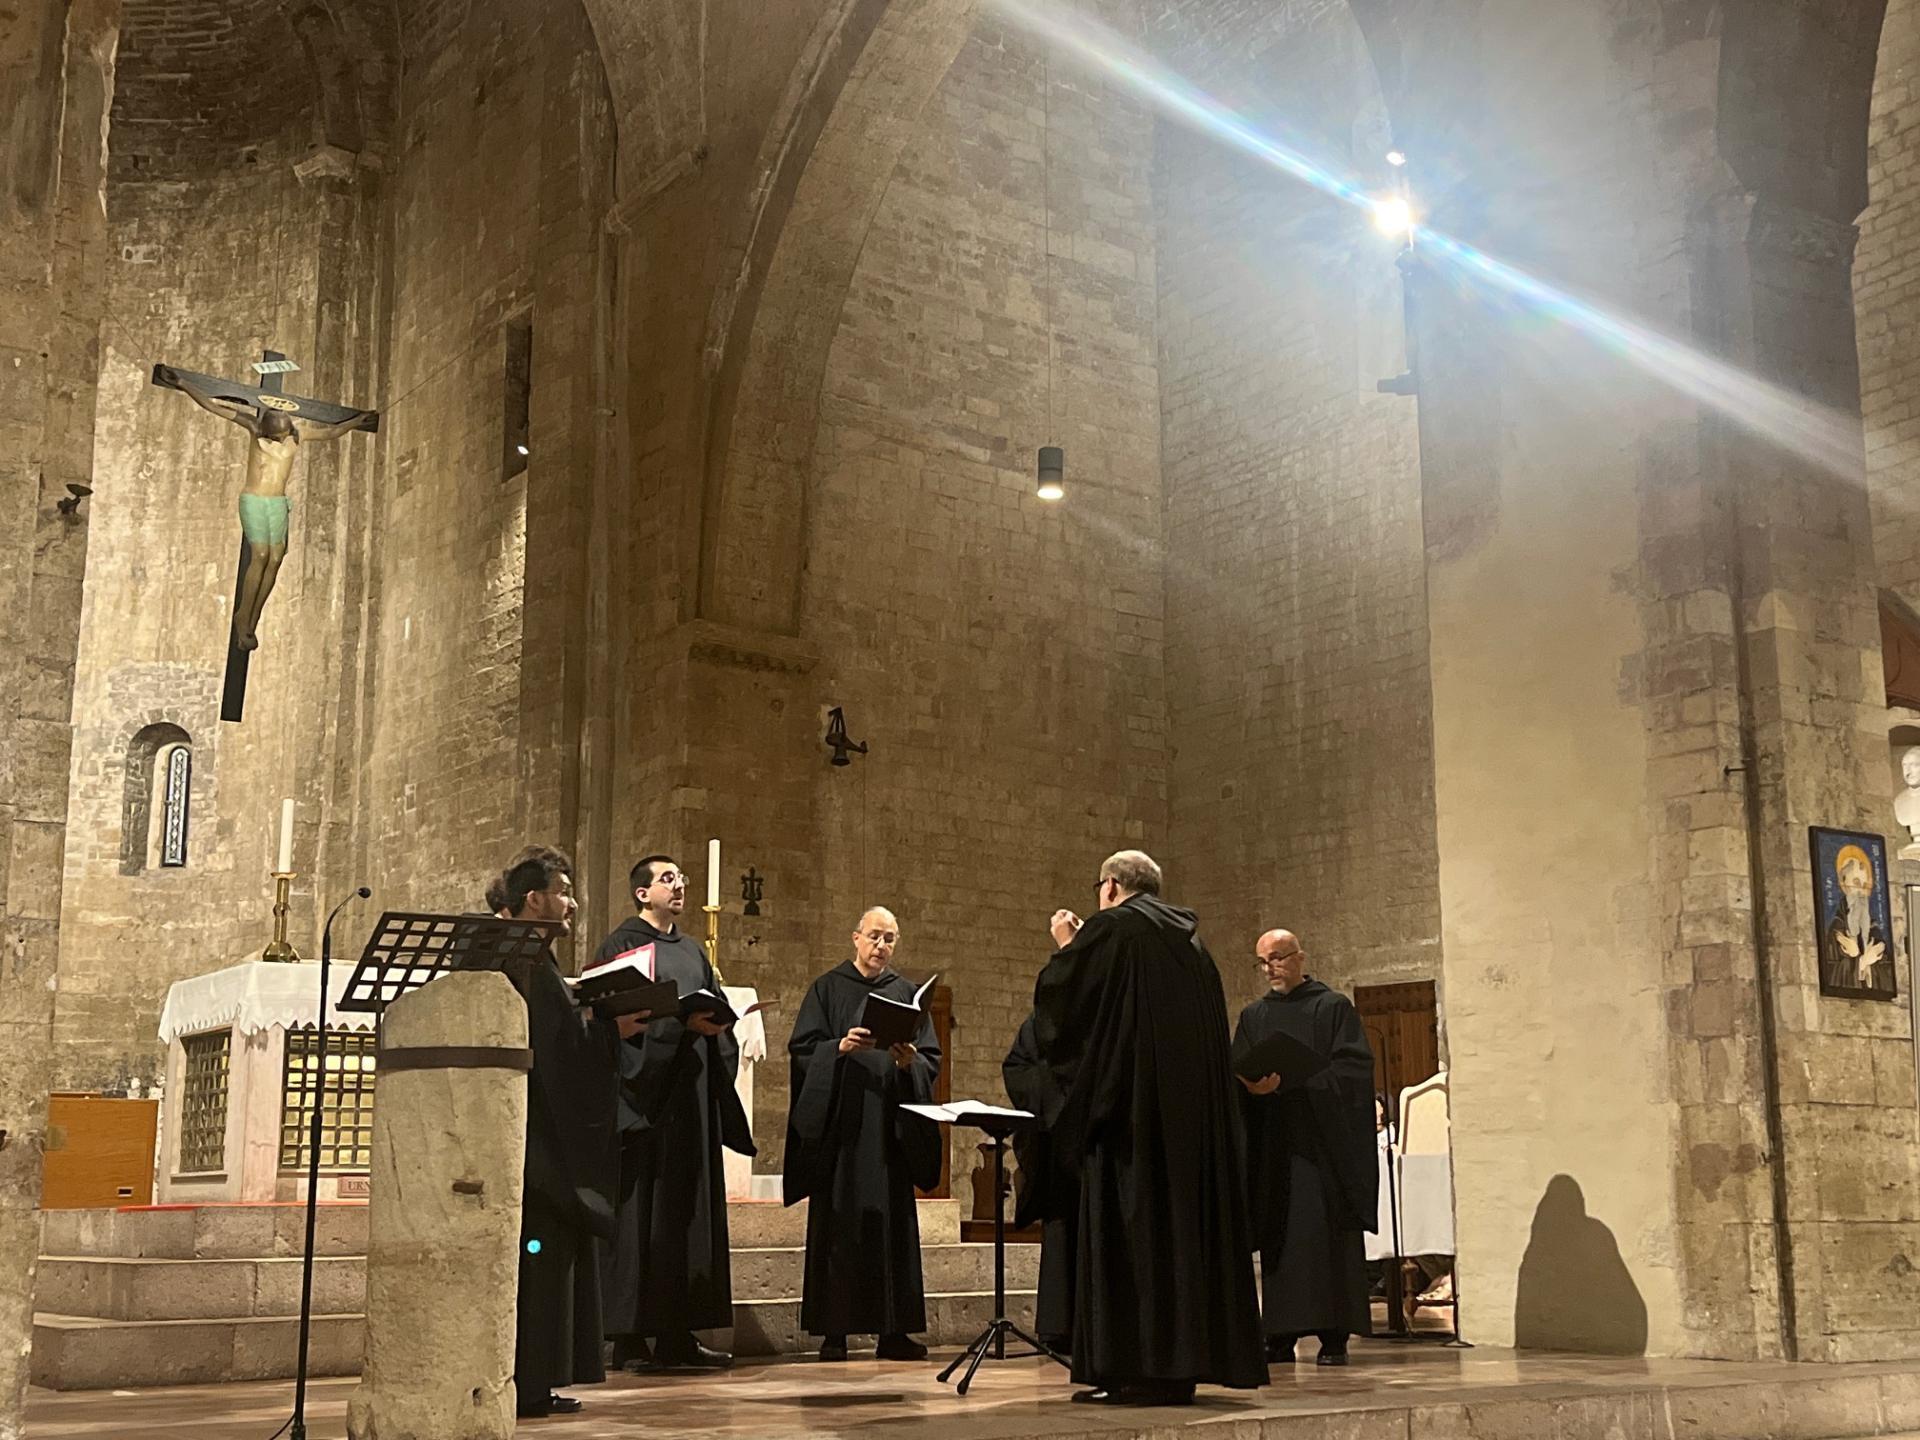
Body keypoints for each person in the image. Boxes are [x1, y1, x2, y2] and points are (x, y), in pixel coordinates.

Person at [1029, 849, 1265, 1406]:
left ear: (1111, 887)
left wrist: (1066, 948)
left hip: (1130, 1126)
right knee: (1179, 1240)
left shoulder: (1113, 930)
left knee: (1131, 1238)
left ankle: (1132, 1368)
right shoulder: (1194, 944)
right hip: (1190, 1134)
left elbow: (1066, 1015)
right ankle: (1179, 1368)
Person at [496, 846, 645, 1419]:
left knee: (547, 1263)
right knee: (539, 1261)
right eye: (563, 890)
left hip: (539, 1143)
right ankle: (529, 1384)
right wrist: (613, 1030)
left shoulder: (533, 960)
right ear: (533, 899)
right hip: (541, 1152)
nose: (573, 902)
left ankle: (536, 1381)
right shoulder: (525, 960)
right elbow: (561, 1059)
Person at [596, 853, 753, 1371]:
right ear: (642, 893)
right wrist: (674, 1029)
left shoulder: (691, 950)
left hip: (688, 1097)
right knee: (640, 1214)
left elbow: (710, 1011)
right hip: (642, 1103)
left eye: (681, 878)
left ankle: (679, 1333)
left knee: (685, 1215)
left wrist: (714, 1027)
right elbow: (611, 1019)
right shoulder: (621, 945)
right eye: (668, 879)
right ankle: (629, 1337)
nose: (679, 885)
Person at [784, 906, 943, 1361]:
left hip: (887, 1127)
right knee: (840, 1223)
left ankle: (892, 1331)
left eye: (890, 939)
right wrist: (838, 1048)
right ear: (855, 937)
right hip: (843, 1128)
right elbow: (801, 1051)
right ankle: (835, 1331)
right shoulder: (827, 988)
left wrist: (910, 1061)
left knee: (889, 1225)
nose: (881, 946)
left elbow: (930, 1059)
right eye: (874, 936)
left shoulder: (906, 994)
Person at [1234, 929, 1377, 1365]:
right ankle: (1280, 1332)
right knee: (1281, 1238)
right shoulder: (1254, 1016)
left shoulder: (1332, 1007)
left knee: (1323, 1238)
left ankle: (1333, 1336)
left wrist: (1304, 1079)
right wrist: (1252, 1089)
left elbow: (1353, 1071)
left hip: (1323, 1145)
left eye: (1278, 958)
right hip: (1275, 1144)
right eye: (1262, 962)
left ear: (1300, 957)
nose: (1270, 968)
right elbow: (1237, 1070)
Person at [157, 365, 374, 650]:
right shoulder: (253, 427)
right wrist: (184, 383)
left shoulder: (299, 434)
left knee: (276, 558)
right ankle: (242, 617)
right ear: (268, 431)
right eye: (276, 437)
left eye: (283, 436)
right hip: (255, 500)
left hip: (277, 502)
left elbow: (333, 433)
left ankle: (253, 618)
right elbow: (213, 406)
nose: (280, 440)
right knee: (260, 554)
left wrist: (358, 420)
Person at [1001, 1014, 1073, 1356]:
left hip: (1093, 1144)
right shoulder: (1035, 1024)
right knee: (1059, 1231)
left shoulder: (1101, 1018)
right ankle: (1057, 1328)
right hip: (1053, 1146)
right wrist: (1054, 1090)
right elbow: (1016, 1068)